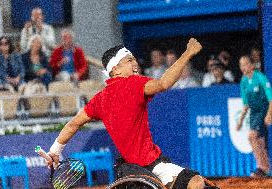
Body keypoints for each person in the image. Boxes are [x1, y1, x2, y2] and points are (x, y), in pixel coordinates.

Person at [45, 38, 210, 189]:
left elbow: (73, 124)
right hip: (132, 170)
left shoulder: (99, 99)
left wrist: (55, 151)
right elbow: (164, 83)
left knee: (195, 182)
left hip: (149, 164)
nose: (135, 62)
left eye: (134, 59)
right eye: (129, 60)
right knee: (196, 183)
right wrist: (188, 53)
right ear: (116, 69)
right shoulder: (133, 83)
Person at [237, 55, 272, 177]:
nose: (244, 67)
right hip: (253, 113)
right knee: (259, 141)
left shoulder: (260, 77)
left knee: (252, 136)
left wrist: (269, 114)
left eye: (246, 64)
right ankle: (266, 169)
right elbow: (246, 104)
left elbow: (271, 98)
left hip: (263, 110)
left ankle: (261, 167)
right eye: (241, 65)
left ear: (252, 65)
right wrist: (240, 120)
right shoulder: (244, 81)